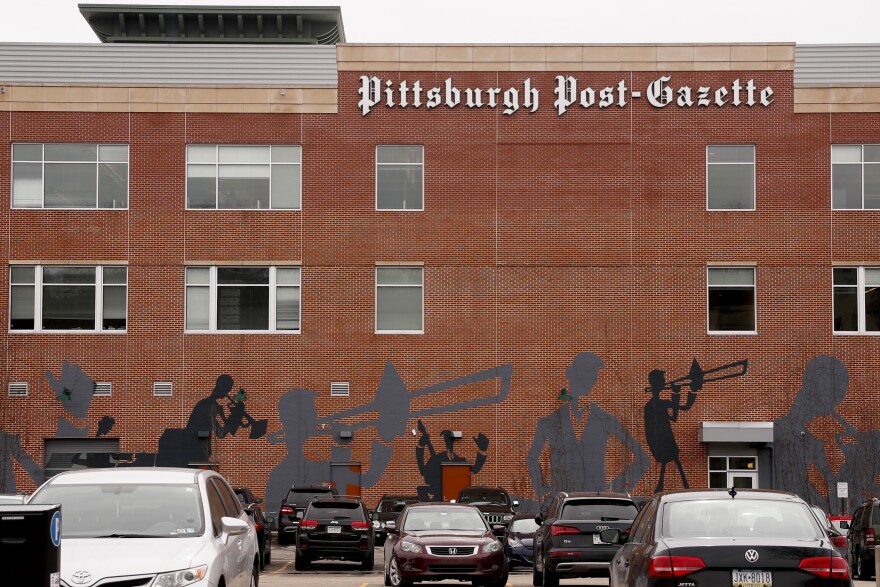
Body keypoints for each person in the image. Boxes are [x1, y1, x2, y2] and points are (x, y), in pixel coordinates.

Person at [528, 352, 649, 500]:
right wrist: (543, 490)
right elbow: (532, 458)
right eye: (590, 374)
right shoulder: (550, 422)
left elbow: (642, 458)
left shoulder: (604, 419)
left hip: (596, 502)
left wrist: (615, 489)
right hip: (563, 503)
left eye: (594, 375)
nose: (593, 380)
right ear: (574, 376)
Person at [644, 369, 695, 492]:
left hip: (666, 438)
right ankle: (684, 487)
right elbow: (685, 406)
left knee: (670, 462)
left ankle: (663, 488)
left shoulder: (659, 403)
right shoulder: (655, 404)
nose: (665, 382)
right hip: (662, 440)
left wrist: (676, 394)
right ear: (656, 383)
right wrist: (690, 391)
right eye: (662, 380)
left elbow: (674, 417)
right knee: (672, 460)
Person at [416, 419, 489, 501]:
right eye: (447, 441)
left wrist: (482, 450)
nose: (449, 445)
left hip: (455, 497)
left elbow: (475, 469)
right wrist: (420, 446)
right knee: (421, 489)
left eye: (450, 441)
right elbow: (423, 471)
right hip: (438, 498)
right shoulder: (436, 459)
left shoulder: (460, 460)